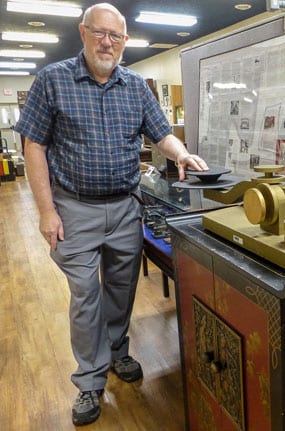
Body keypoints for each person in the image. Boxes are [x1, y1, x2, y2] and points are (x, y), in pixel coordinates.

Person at [15, 3, 208, 426]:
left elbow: (161, 134)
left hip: (125, 207)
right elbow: (35, 148)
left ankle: (118, 352)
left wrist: (182, 153)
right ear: (83, 32)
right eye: (100, 33)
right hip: (73, 208)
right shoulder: (53, 80)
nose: (108, 42)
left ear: (124, 41)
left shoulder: (136, 86)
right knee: (86, 295)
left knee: (120, 289)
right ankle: (89, 381)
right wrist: (46, 212)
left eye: (116, 36)